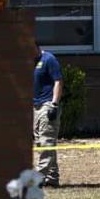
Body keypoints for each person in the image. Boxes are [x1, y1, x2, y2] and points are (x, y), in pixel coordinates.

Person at [33, 43, 63, 188]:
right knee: (41, 142)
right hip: (35, 106)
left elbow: (58, 81)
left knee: (47, 142)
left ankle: (38, 179)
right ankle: (52, 177)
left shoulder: (49, 59)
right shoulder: (30, 62)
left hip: (47, 105)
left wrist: (54, 104)